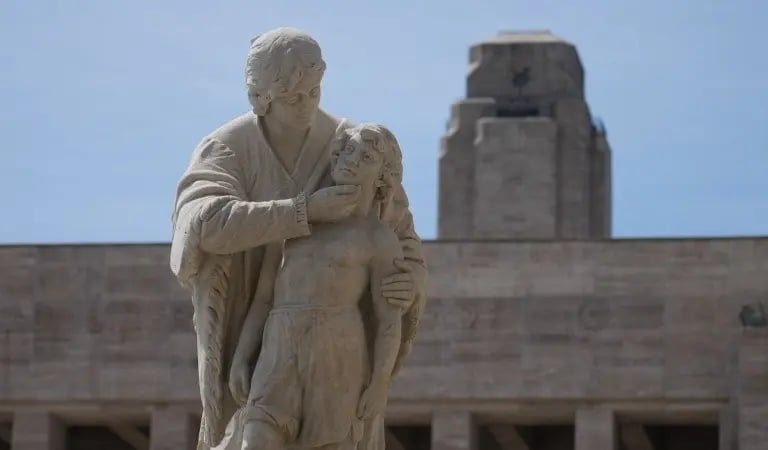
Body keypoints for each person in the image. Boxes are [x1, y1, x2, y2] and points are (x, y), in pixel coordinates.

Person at [169, 28, 427, 450]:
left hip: (340, 346)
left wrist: (410, 280)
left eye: (314, 91)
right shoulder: (228, 148)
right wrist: (302, 212)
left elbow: (400, 232)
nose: (307, 104)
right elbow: (201, 225)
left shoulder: (353, 144)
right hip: (266, 338)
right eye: (292, 98)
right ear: (259, 97)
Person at [231, 123, 409, 450]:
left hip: (338, 344)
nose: (351, 160)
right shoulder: (294, 222)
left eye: (366, 157)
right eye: (348, 150)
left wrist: (380, 383)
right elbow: (264, 299)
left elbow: (388, 320)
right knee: (255, 440)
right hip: (279, 340)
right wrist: (242, 356)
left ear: (383, 177)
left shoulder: (378, 238)